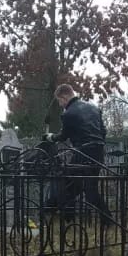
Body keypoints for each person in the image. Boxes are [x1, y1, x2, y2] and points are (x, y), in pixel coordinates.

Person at [45, 84, 110, 225]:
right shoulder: (94, 108)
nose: (61, 105)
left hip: (82, 154)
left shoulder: (68, 113)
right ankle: (59, 214)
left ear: (64, 96)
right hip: (98, 152)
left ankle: (107, 220)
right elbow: (103, 132)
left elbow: (63, 136)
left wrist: (51, 137)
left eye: (60, 101)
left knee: (79, 188)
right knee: (73, 186)